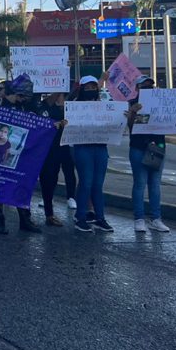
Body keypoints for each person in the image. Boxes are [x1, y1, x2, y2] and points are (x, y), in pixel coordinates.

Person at [0, 75, 43, 234]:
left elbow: (37, 123)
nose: (25, 99)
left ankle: (24, 219)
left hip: (20, 153)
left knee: (22, 185)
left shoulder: (26, 107)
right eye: (23, 96)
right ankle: (0, 218)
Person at [127, 75, 172, 234]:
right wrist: (132, 112)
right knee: (140, 183)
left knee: (155, 185)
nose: (148, 89)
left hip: (158, 148)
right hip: (139, 148)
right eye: (144, 86)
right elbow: (130, 126)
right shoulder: (132, 104)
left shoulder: (161, 103)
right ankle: (139, 219)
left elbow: (173, 119)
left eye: (150, 86)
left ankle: (156, 219)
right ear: (137, 88)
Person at [71, 76, 111, 233]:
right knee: (86, 183)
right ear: (81, 89)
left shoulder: (102, 105)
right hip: (83, 147)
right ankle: (81, 217)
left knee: (98, 184)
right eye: (87, 88)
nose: (91, 90)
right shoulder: (74, 106)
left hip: (100, 147)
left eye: (93, 87)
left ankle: (100, 217)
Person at [38, 92, 73, 227]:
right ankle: (49, 213)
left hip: (62, 148)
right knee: (46, 179)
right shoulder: (42, 106)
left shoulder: (68, 109)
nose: (59, 96)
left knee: (53, 179)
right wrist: (53, 125)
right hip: (46, 150)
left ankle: (50, 212)